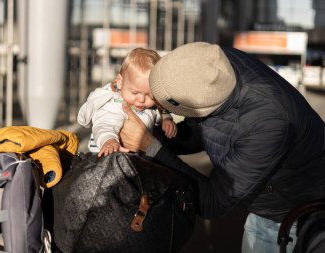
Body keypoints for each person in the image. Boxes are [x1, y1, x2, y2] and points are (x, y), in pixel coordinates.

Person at [119, 42, 325, 253]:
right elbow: (205, 129)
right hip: (267, 196)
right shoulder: (213, 63)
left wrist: (151, 145)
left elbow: (212, 202)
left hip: (291, 215)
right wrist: (152, 135)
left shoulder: (268, 123)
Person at [77, 47, 177, 157]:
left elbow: (158, 111)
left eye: (150, 95)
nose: (141, 100)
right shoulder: (115, 103)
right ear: (120, 82)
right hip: (105, 156)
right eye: (135, 93)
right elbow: (104, 125)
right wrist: (109, 141)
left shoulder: (150, 107)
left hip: (135, 160)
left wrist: (166, 118)